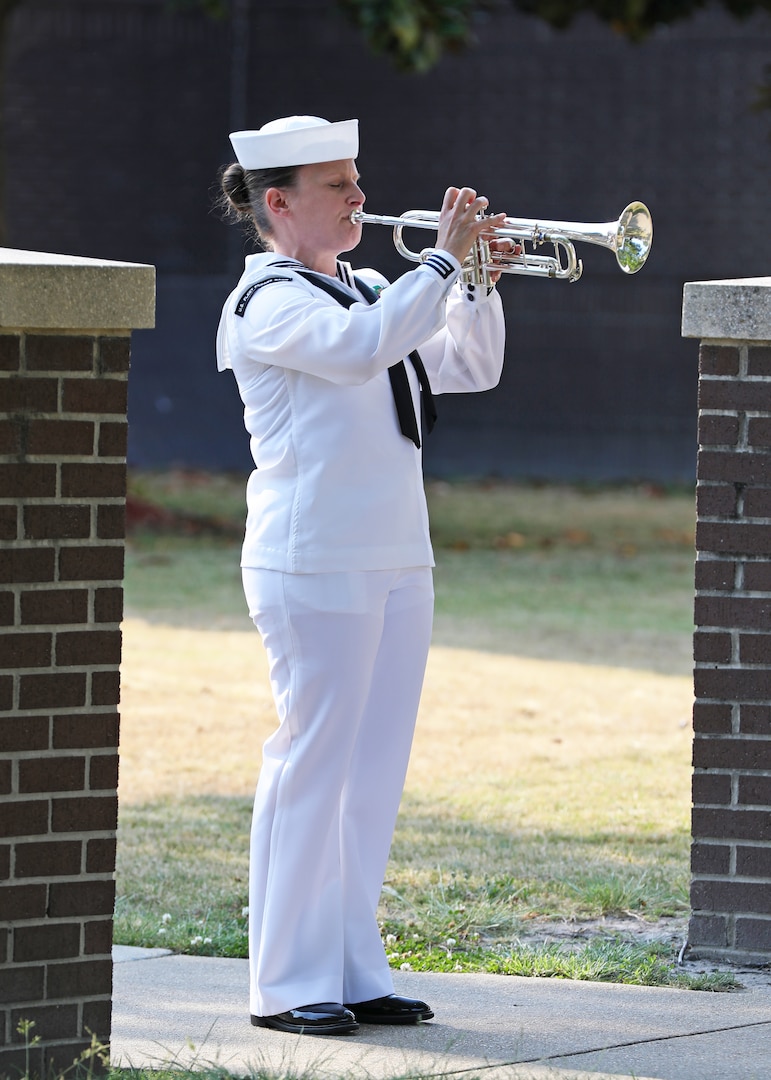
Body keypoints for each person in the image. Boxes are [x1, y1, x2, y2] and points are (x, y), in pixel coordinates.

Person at [216, 115, 508, 1036]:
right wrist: (439, 267)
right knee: (312, 765)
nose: (359, 197)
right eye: (337, 184)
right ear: (278, 202)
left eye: (356, 178)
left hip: (394, 553)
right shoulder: (267, 300)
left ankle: (349, 966)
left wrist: (475, 281)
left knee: (370, 773)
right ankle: (286, 983)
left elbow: (469, 366)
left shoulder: (375, 282)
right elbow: (360, 348)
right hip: (313, 558)